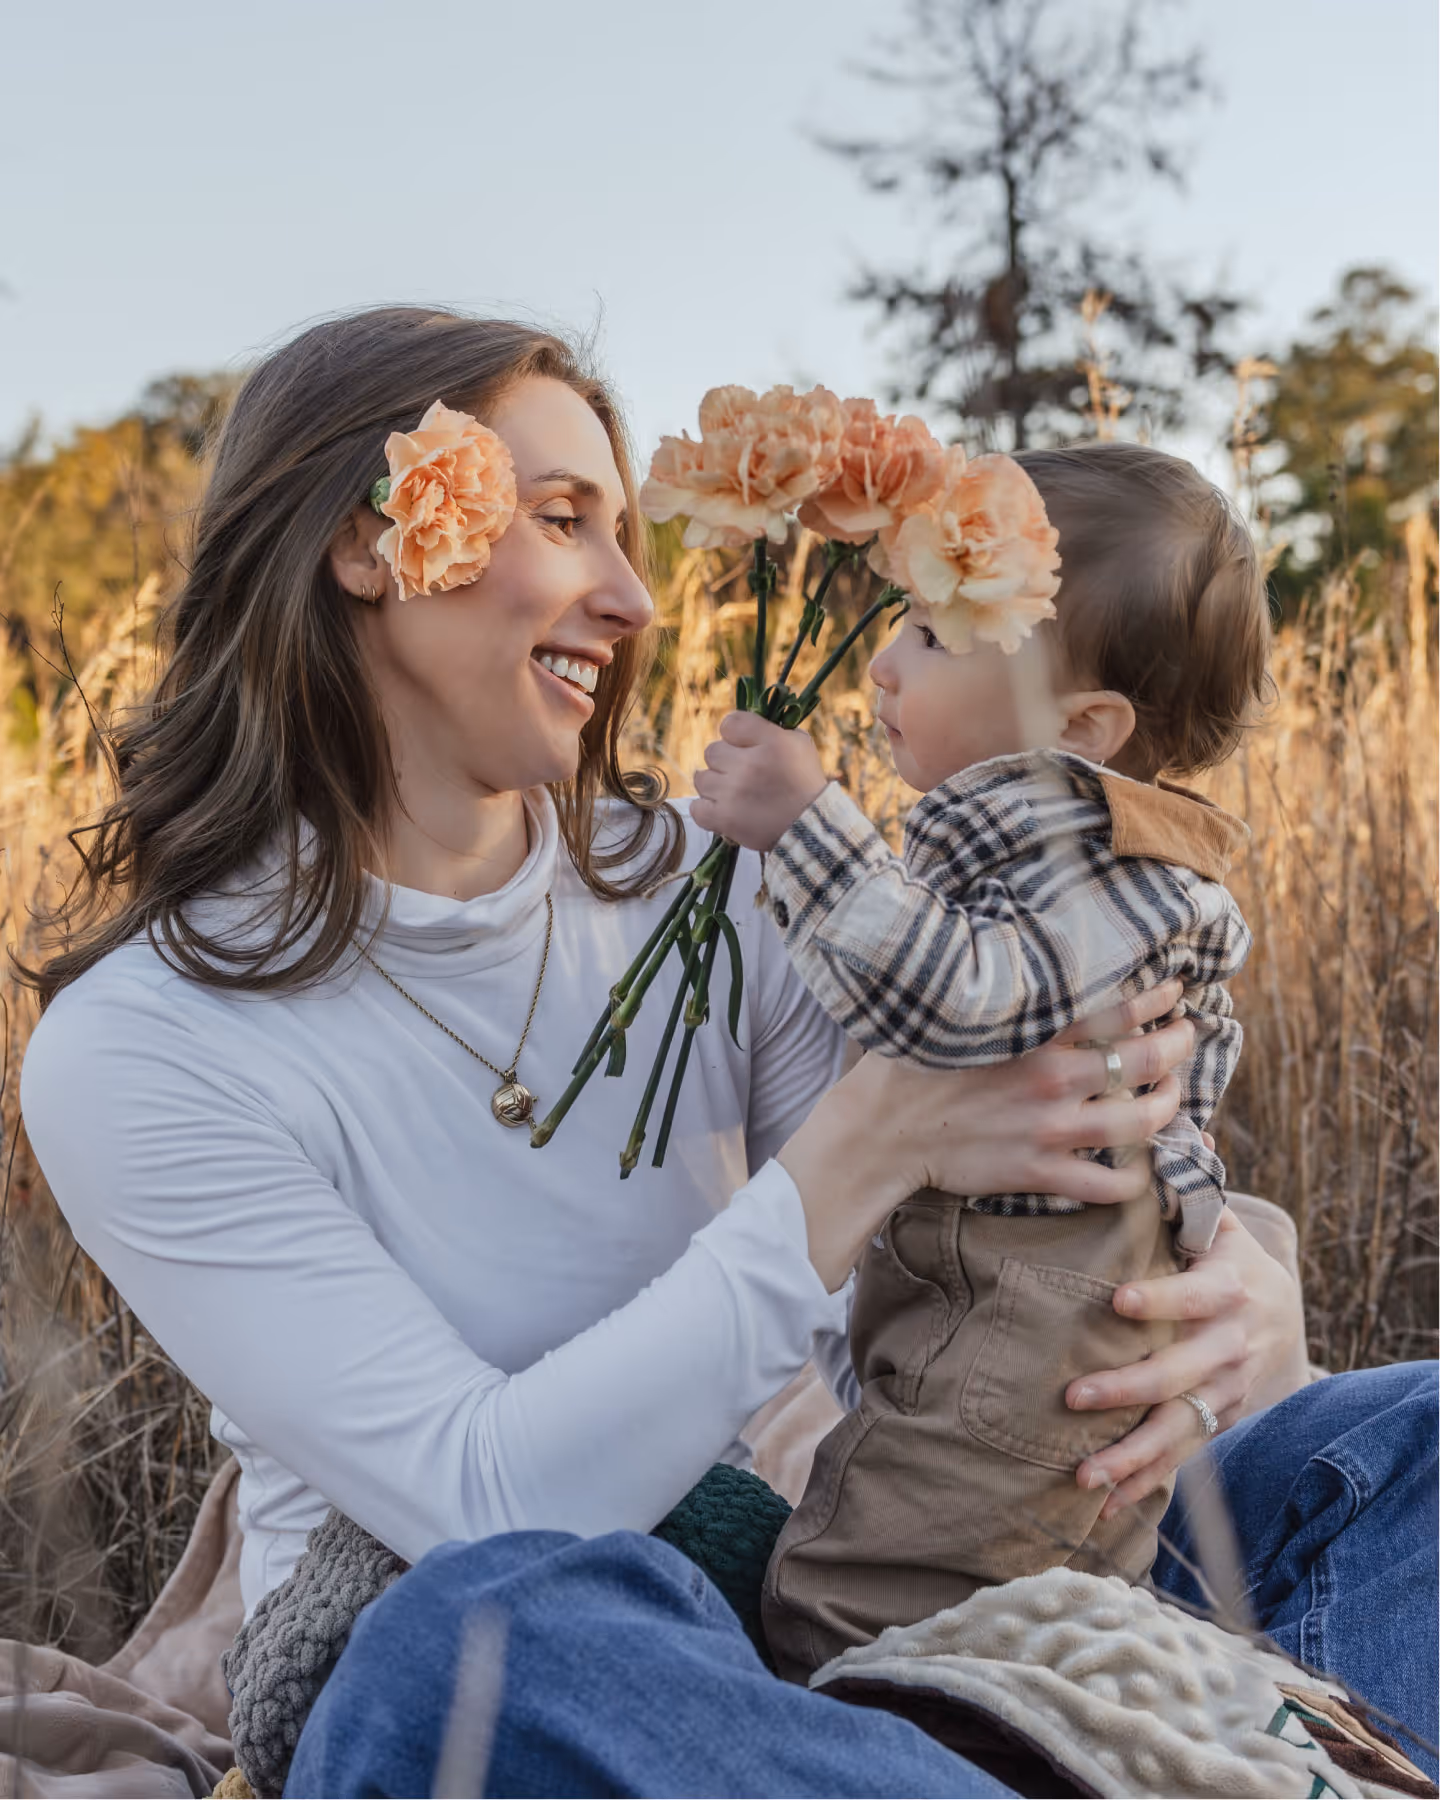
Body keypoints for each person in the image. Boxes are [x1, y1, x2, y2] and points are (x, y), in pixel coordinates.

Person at [14, 308, 1431, 1796]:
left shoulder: (711, 880)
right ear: (369, 546)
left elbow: (981, 1241)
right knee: (470, 1647)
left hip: (850, 1610)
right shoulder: (147, 1047)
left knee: (1417, 1439)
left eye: (627, 534)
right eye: (565, 522)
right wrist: (869, 1145)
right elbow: (491, 1501)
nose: (633, 598)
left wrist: (1231, 1300)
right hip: (601, 1665)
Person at [691, 442, 1267, 1680]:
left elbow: (965, 1003)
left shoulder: (1111, 865)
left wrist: (808, 829)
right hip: (1003, 1315)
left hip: (1030, 1320)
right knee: (1002, 1596)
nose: (887, 661)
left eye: (941, 638)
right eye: (902, 617)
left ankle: (890, 1735)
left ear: (1082, 727)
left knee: (861, 1596)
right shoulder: (1043, 848)